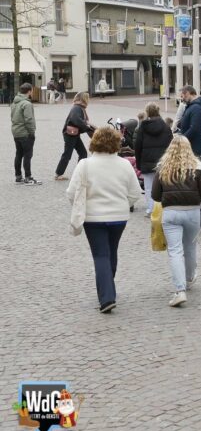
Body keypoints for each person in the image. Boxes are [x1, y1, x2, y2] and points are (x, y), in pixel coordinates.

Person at [66, 126, 141, 313]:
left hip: (93, 218)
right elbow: (134, 193)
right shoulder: (124, 164)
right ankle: (108, 287)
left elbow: (71, 193)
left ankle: (106, 296)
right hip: (118, 216)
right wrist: (124, 204)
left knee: (101, 254)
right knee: (111, 251)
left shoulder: (85, 164)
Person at [151, 136, 201, 307]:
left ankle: (180, 289)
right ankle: (189, 277)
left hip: (170, 213)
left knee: (175, 251)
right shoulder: (198, 168)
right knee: (190, 247)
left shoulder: (163, 168)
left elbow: (155, 195)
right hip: (192, 211)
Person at [134, 103, 173, 216]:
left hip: (147, 160)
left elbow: (138, 145)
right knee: (164, 185)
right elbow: (171, 144)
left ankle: (151, 209)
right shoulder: (165, 126)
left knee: (148, 186)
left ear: (147, 112)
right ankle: (164, 207)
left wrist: (138, 162)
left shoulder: (143, 127)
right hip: (163, 160)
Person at [55, 92, 95, 181]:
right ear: (84, 99)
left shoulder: (79, 107)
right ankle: (58, 174)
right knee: (67, 154)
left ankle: (79, 173)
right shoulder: (77, 108)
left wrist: (88, 127)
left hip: (74, 134)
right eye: (87, 98)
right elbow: (76, 120)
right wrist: (87, 128)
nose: (88, 100)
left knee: (83, 153)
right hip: (70, 134)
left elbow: (79, 120)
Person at [11, 83, 40, 185]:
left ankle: (18, 177)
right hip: (25, 133)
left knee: (19, 154)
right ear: (29, 91)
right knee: (28, 155)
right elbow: (29, 120)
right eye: (31, 90)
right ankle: (28, 177)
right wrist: (32, 132)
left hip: (16, 132)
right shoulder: (26, 104)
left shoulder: (14, 102)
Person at [177, 86, 201, 156]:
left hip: (193, 147)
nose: (182, 99)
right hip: (189, 146)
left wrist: (182, 139)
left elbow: (194, 128)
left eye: (182, 96)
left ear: (187, 93)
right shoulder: (192, 106)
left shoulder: (196, 108)